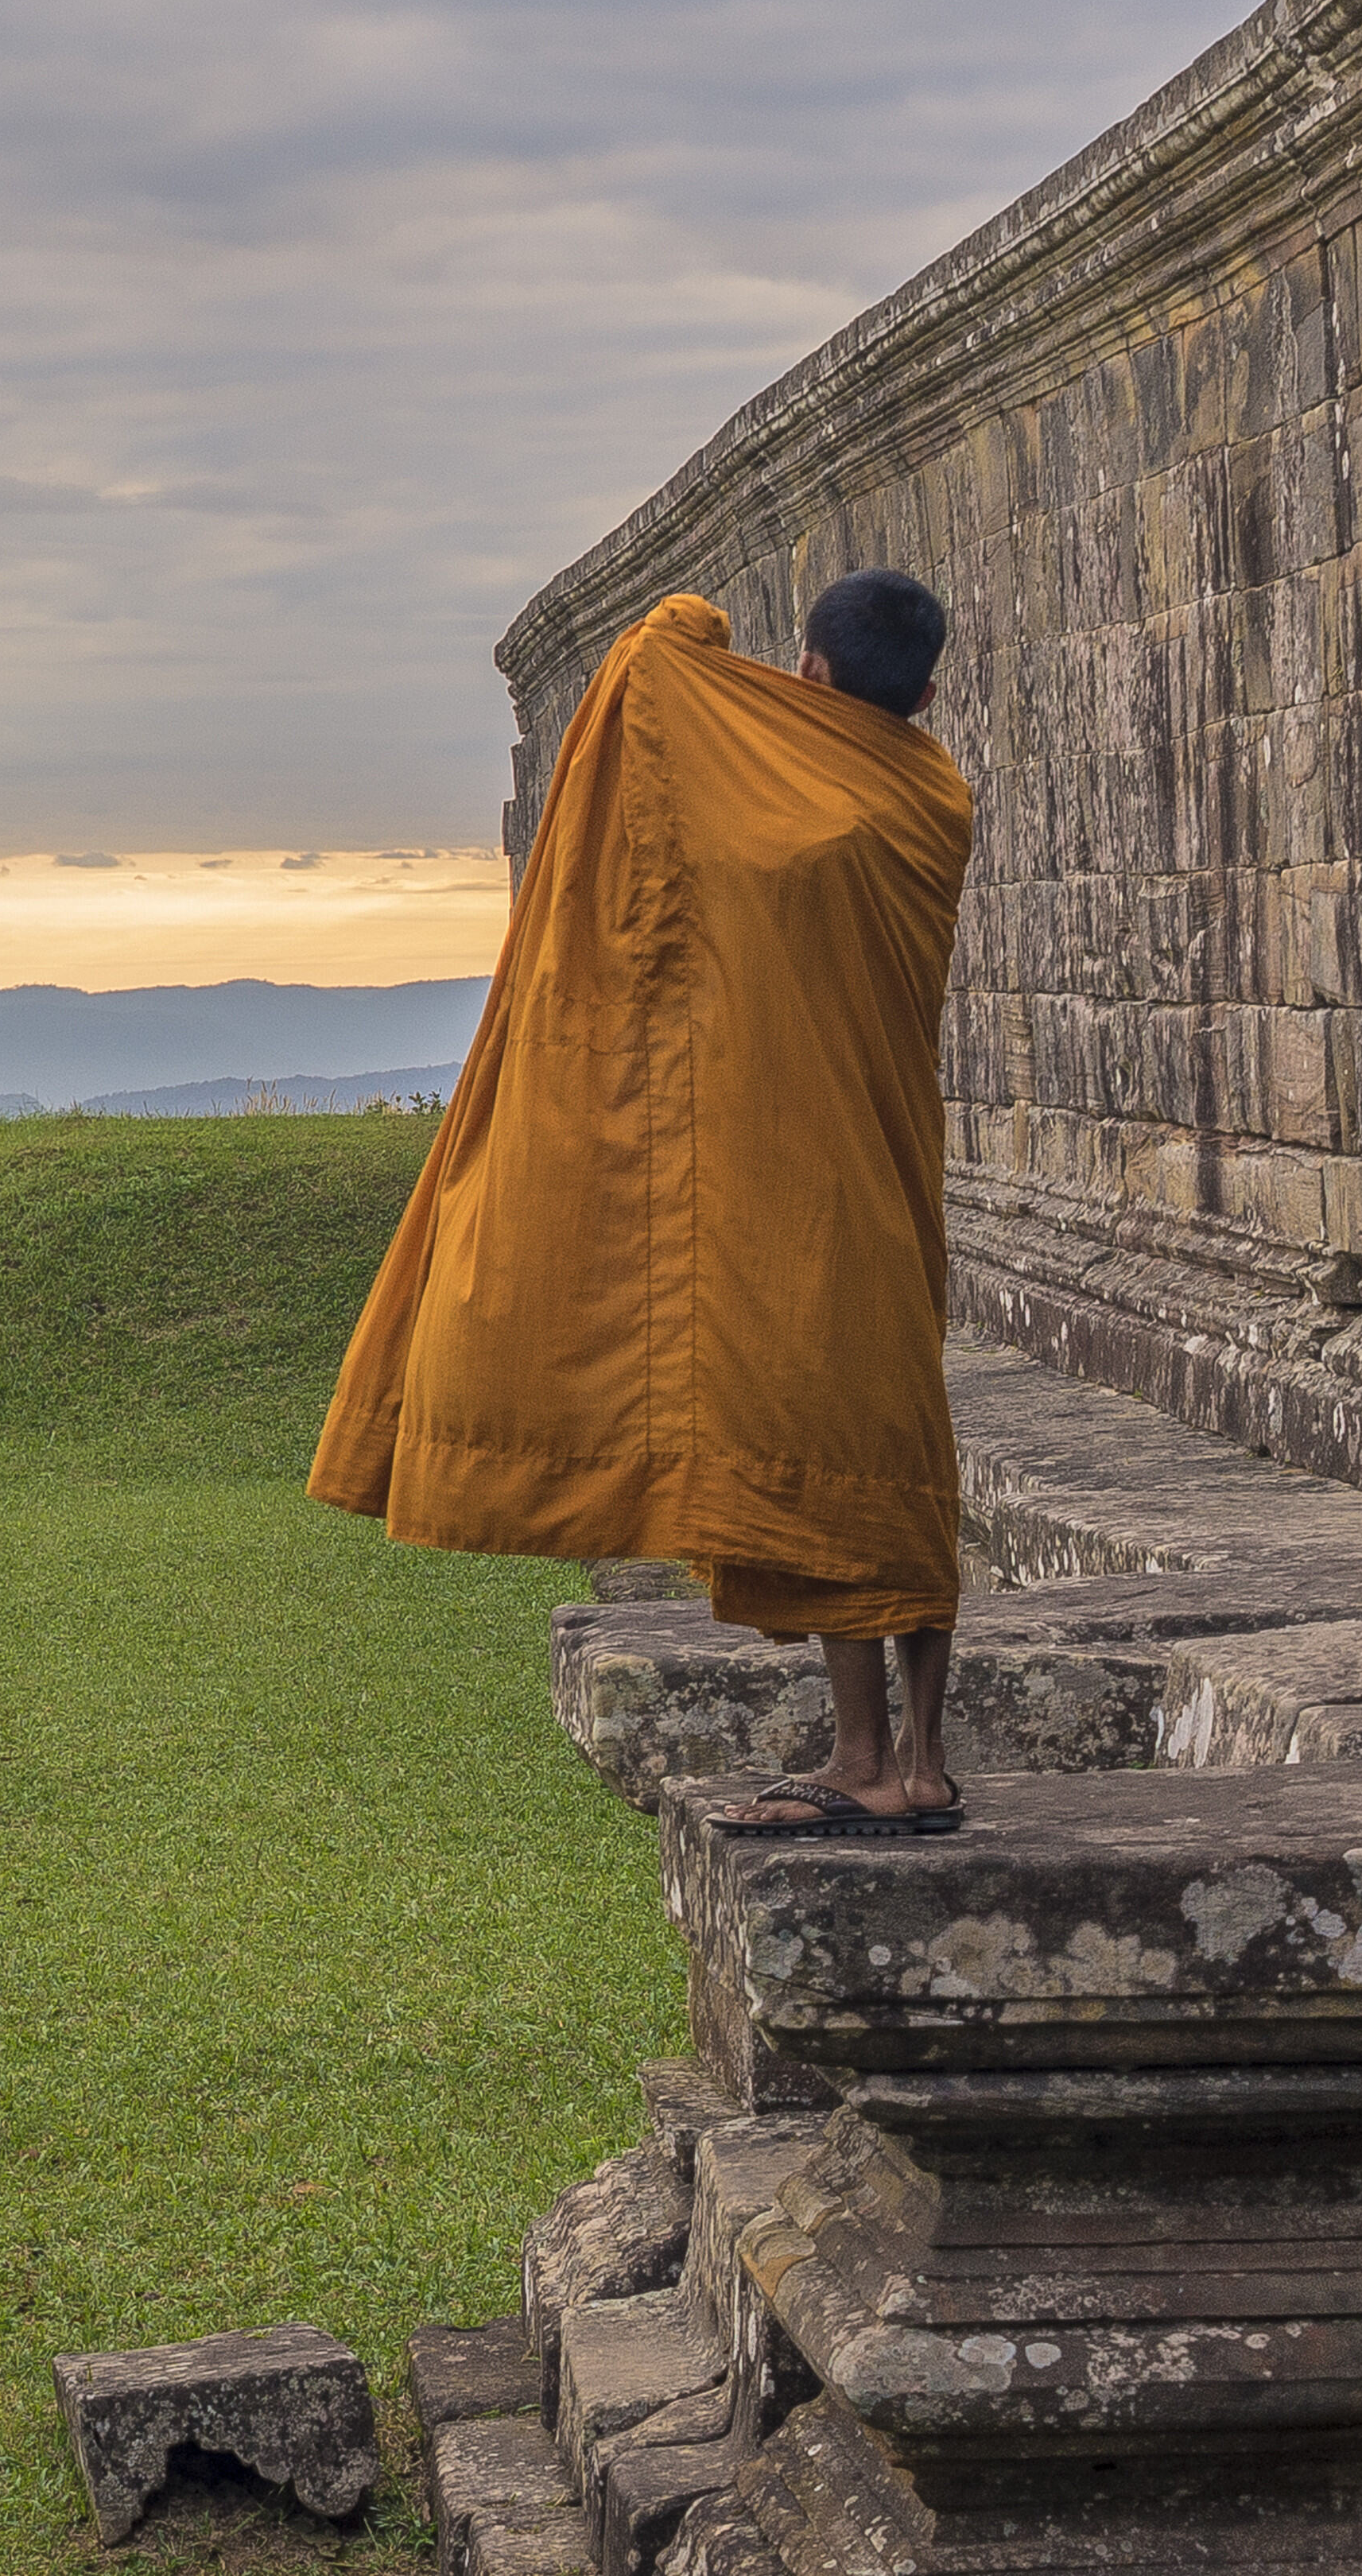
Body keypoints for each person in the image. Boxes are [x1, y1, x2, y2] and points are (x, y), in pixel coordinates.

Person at [308, 568, 979, 1836]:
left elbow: (654, 677)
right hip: (887, 1158)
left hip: (801, 1171)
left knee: (820, 1440)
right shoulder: (932, 792)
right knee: (893, 1441)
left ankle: (860, 1755)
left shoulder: (791, 798)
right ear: (927, 692)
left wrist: (691, 624)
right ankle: (920, 1758)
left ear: (808, 678)